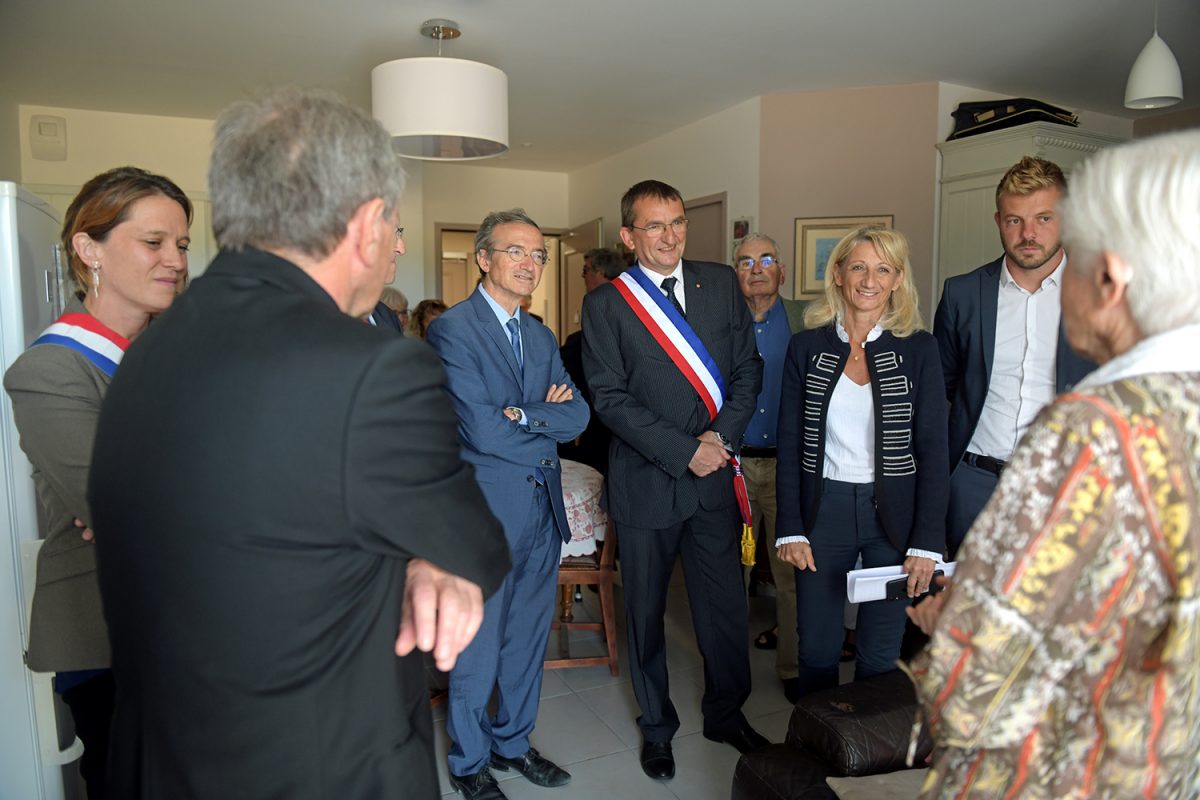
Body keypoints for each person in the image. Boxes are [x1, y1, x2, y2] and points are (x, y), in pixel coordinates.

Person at [88, 89, 509, 799]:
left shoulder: (149, 352)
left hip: (163, 764)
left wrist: (421, 555)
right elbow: (476, 541)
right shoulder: (370, 370)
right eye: (394, 226)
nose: (394, 245)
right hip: (316, 771)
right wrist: (439, 554)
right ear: (367, 225)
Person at [907, 130, 1200, 800]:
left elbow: (985, 669)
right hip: (1163, 753)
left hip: (1068, 764)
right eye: (1017, 220)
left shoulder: (1087, 429)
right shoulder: (1180, 401)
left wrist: (952, 621)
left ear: (1110, 276)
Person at [2, 166, 191, 800]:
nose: (175, 260)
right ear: (90, 249)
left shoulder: (182, 355)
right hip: (112, 636)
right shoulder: (51, 371)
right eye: (154, 242)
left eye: (181, 244)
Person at [581, 179, 767, 781]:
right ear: (629, 235)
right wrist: (685, 451)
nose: (670, 236)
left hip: (714, 482)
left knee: (724, 609)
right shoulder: (607, 304)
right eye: (655, 225)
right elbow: (609, 398)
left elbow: (748, 369)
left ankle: (726, 714)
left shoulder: (720, 283)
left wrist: (721, 440)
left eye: (678, 222)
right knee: (645, 615)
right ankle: (657, 728)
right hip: (646, 483)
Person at [427, 209, 588, 800]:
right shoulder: (453, 330)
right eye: (515, 251)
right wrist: (541, 419)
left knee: (526, 639)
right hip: (486, 514)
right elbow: (481, 430)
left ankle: (513, 743)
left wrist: (522, 414)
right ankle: (469, 762)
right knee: (479, 643)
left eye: (538, 254)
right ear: (484, 258)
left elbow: (579, 416)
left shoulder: (541, 335)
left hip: (543, 509)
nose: (530, 263)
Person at [775, 226, 947, 698]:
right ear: (838, 274)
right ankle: (819, 737)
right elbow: (790, 442)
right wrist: (790, 527)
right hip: (823, 512)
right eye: (859, 267)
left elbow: (934, 450)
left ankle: (865, 742)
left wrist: (927, 542)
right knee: (817, 649)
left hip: (894, 519)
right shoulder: (806, 347)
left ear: (897, 280)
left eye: (883, 269)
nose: (870, 280)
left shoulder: (920, 349)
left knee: (880, 652)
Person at [933, 156, 1095, 559]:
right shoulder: (962, 294)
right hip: (974, 484)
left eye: (1044, 218)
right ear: (998, 221)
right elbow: (942, 389)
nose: (1028, 234)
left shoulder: (1101, 294)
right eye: (1014, 220)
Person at [732, 233, 807, 704]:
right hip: (734, 467)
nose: (756, 269)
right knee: (729, 575)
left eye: (766, 260)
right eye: (745, 262)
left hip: (787, 468)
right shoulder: (720, 323)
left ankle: (793, 668)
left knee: (791, 577)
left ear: (781, 270)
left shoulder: (808, 319)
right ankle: (728, 672)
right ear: (735, 274)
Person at [558, 247, 625, 473]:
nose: (583, 276)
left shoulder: (607, 302)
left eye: (586, 270)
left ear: (600, 273)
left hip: (602, 413)